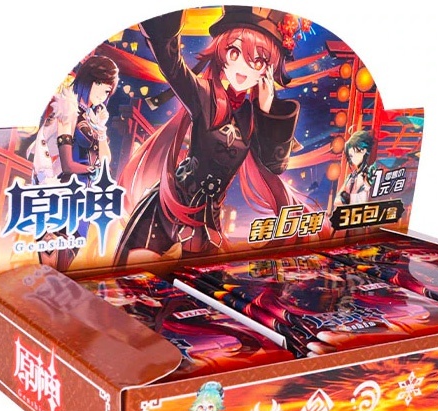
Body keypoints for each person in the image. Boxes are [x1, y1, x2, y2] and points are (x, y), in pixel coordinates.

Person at [115, 7, 313, 267]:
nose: (243, 67)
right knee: (137, 273)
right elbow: (173, 67)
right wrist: (165, 23)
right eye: (235, 52)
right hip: (171, 204)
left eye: (257, 61)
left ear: (267, 70)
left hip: (207, 220)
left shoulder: (252, 116)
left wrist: (266, 111)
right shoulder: (205, 94)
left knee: (202, 280)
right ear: (221, 52)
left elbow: (274, 165)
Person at [28, 55, 119, 271]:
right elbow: (65, 162)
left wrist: (101, 129)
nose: (103, 94)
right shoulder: (67, 110)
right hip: (61, 193)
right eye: (100, 85)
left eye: (108, 91)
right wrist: (94, 170)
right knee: (53, 264)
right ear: (89, 80)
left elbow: (106, 160)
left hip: (84, 199)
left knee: (66, 262)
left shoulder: (93, 118)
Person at [336, 130, 376, 205]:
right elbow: (337, 201)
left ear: (363, 151)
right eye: (350, 156)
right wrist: (346, 198)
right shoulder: (351, 177)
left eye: (354, 154)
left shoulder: (370, 173)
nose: (352, 159)